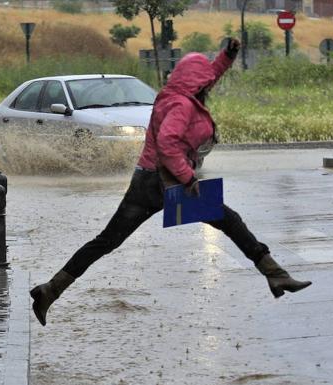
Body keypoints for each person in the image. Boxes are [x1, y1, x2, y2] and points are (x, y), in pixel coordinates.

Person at [30, 39, 312, 327]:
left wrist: (227, 56)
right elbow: (167, 143)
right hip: (165, 182)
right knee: (230, 220)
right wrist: (188, 178)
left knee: (107, 241)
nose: (209, 87)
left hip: (146, 180)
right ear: (197, 84)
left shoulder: (177, 93)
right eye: (206, 83)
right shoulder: (182, 105)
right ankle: (275, 275)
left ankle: (50, 290)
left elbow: (208, 75)